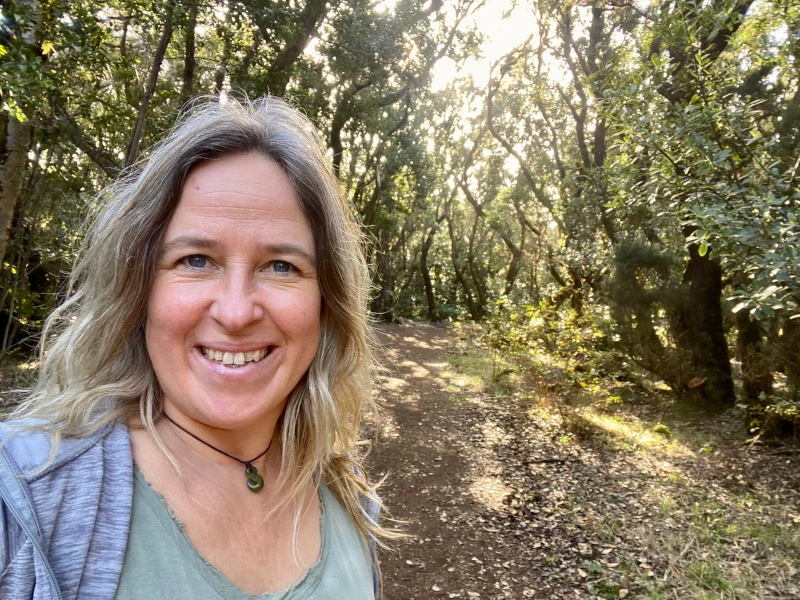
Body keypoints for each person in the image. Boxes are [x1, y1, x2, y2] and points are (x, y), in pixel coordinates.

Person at [0, 96, 386, 599]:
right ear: (139, 287)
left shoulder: (346, 494)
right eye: (197, 259)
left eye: (281, 266)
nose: (235, 311)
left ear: (326, 303)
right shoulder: (23, 494)